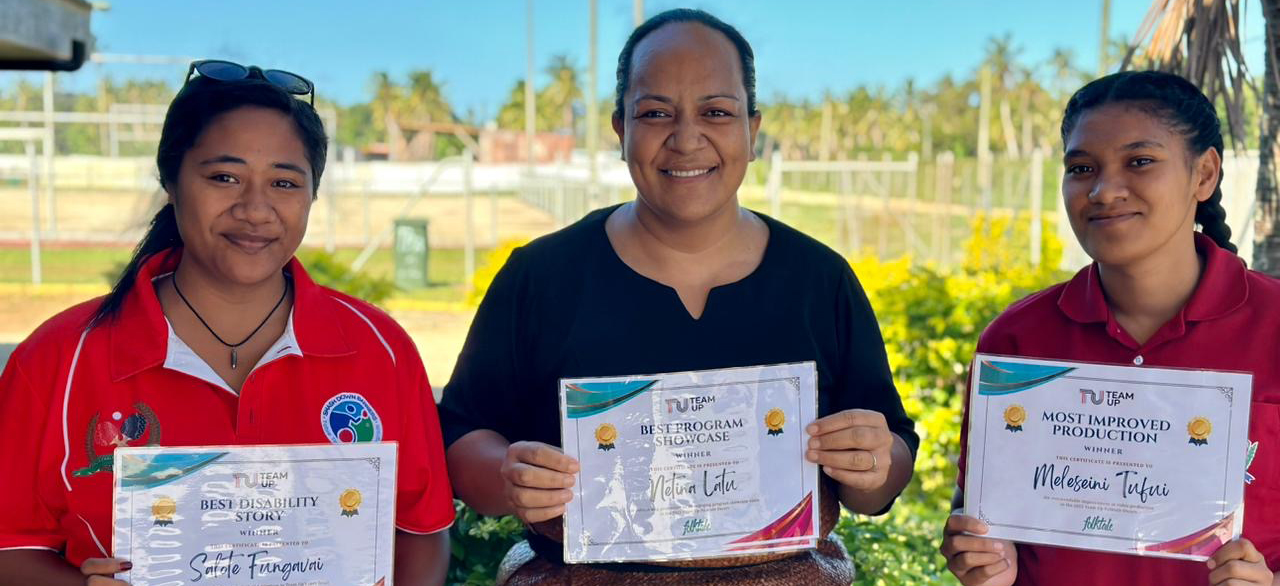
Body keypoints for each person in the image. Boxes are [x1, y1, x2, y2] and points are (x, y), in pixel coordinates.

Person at [440, 9, 918, 585]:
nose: (686, 138)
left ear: (752, 130)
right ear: (620, 130)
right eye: (655, 113)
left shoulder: (820, 279)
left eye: (716, 112)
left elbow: (884, 471)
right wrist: (507, 477)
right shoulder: (541, 276)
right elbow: (462, 436)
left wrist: (871, 463)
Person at [0, 60, 454, 586]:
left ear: (312, 194)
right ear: (170, 180)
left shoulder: (381, 350)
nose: (256, 209)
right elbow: (12, 548)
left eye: (284, 182)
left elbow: (419, 529)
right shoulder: (57, 358)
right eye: (224, 177)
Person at [940, 70, 1279, 586]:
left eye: (1139, 161)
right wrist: (984, 561)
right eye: (1081, 167)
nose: (1103, 190)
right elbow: (977, 516)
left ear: (1204, 174)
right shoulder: (1017, 341)